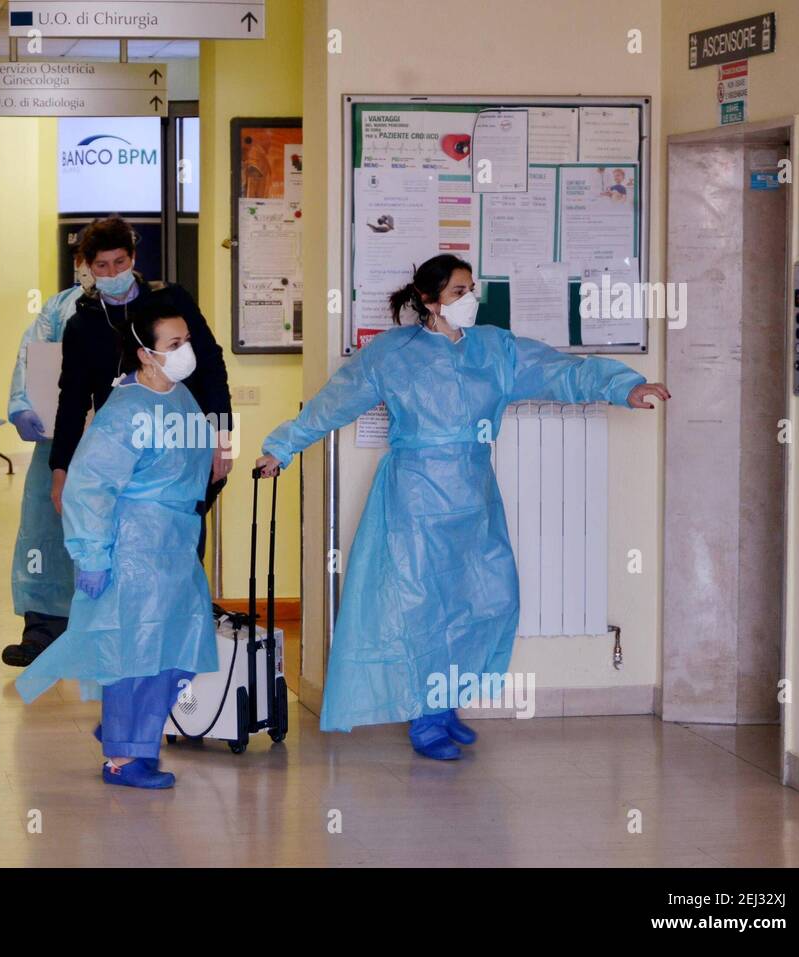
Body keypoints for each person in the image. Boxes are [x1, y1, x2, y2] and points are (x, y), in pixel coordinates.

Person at [255, 254, 670, 760]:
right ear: (428, 301)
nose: (470, 299)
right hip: (414, 497)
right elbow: (334, 402)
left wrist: (623, 386)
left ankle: (448, 703)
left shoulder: (494, 349)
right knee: (422, 607)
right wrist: (282, 447)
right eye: (457, 291)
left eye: (471, 288)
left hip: (474, 493)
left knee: (479, 601)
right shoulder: (393, 354)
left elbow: (559, 371)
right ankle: (426, 719)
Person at [17, 299, 219, 789]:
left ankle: (129, 732)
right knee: (136, 652)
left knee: (176, 648)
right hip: (133, 547)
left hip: (175, 546)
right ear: (146, 353)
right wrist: (91, 554)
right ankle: (124, 758)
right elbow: (90, 486)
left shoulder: (181, 397)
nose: (186, 350)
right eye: (174, 344)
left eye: (186, 340)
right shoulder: (125, 411)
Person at [48, 216, 232, 561]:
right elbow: (71, 400)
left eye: (120, 261)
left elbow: (211, 365)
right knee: (130, 551)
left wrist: (223, 436)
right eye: (101, 265)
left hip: (183, 439)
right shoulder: (83, 324)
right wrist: (60, 469)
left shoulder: (172, 302)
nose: (112, 271)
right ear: (87, 267)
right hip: (126, 453)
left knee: (182, 550)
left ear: (133, 258)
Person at [0, 243, 91, 667]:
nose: (101, 272)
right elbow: (30, 358)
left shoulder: (145, 307)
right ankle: (43, 630)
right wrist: (22, 403)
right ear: (78, 265)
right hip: (60, 438)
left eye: (115, 262)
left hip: (120, 443)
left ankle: (99, 629)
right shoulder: (59, 309)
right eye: (92, 263)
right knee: (43, 529)